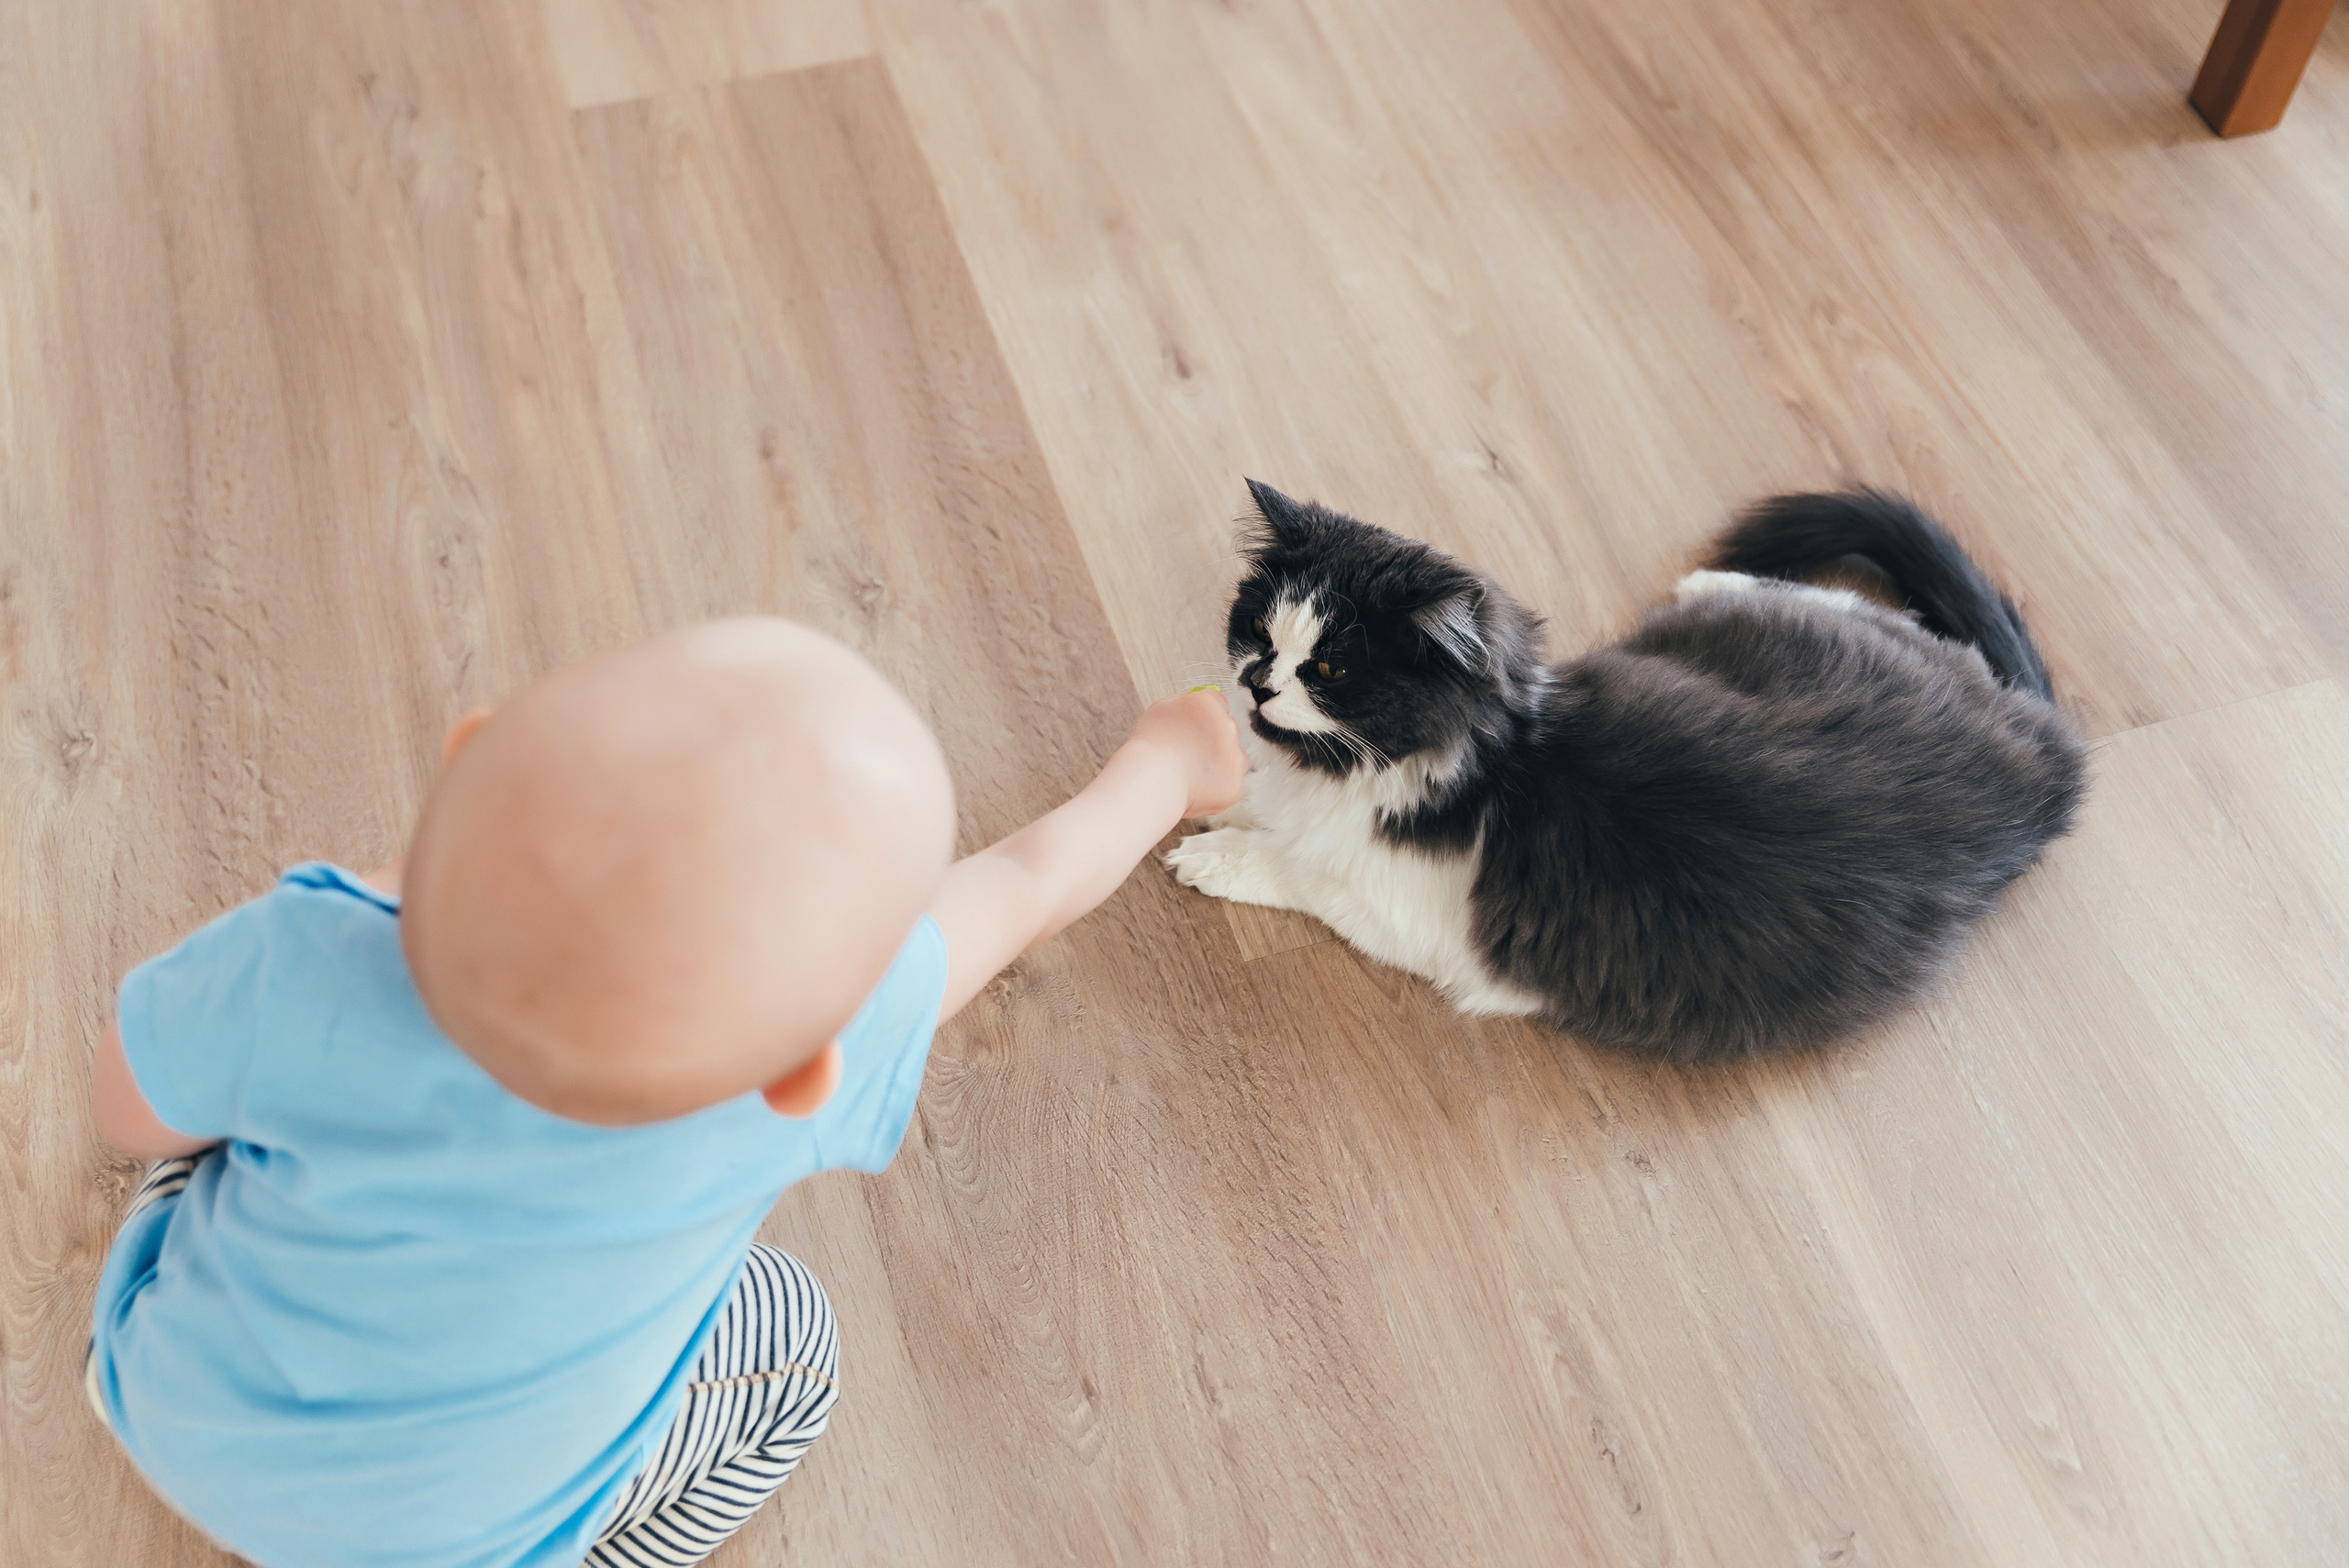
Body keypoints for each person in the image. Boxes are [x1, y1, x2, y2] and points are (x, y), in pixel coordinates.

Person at [85, 617, 1247, 1568]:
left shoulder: (310, 950)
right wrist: (1170, 758)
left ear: (465, 755)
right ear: (809, 1073)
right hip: (454, 1547)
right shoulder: (826, 1044)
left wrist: (376, 910)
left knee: (222, 1109)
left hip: (166, 1403)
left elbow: (126, 1114)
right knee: (794, 1344)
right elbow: (1030, 879)